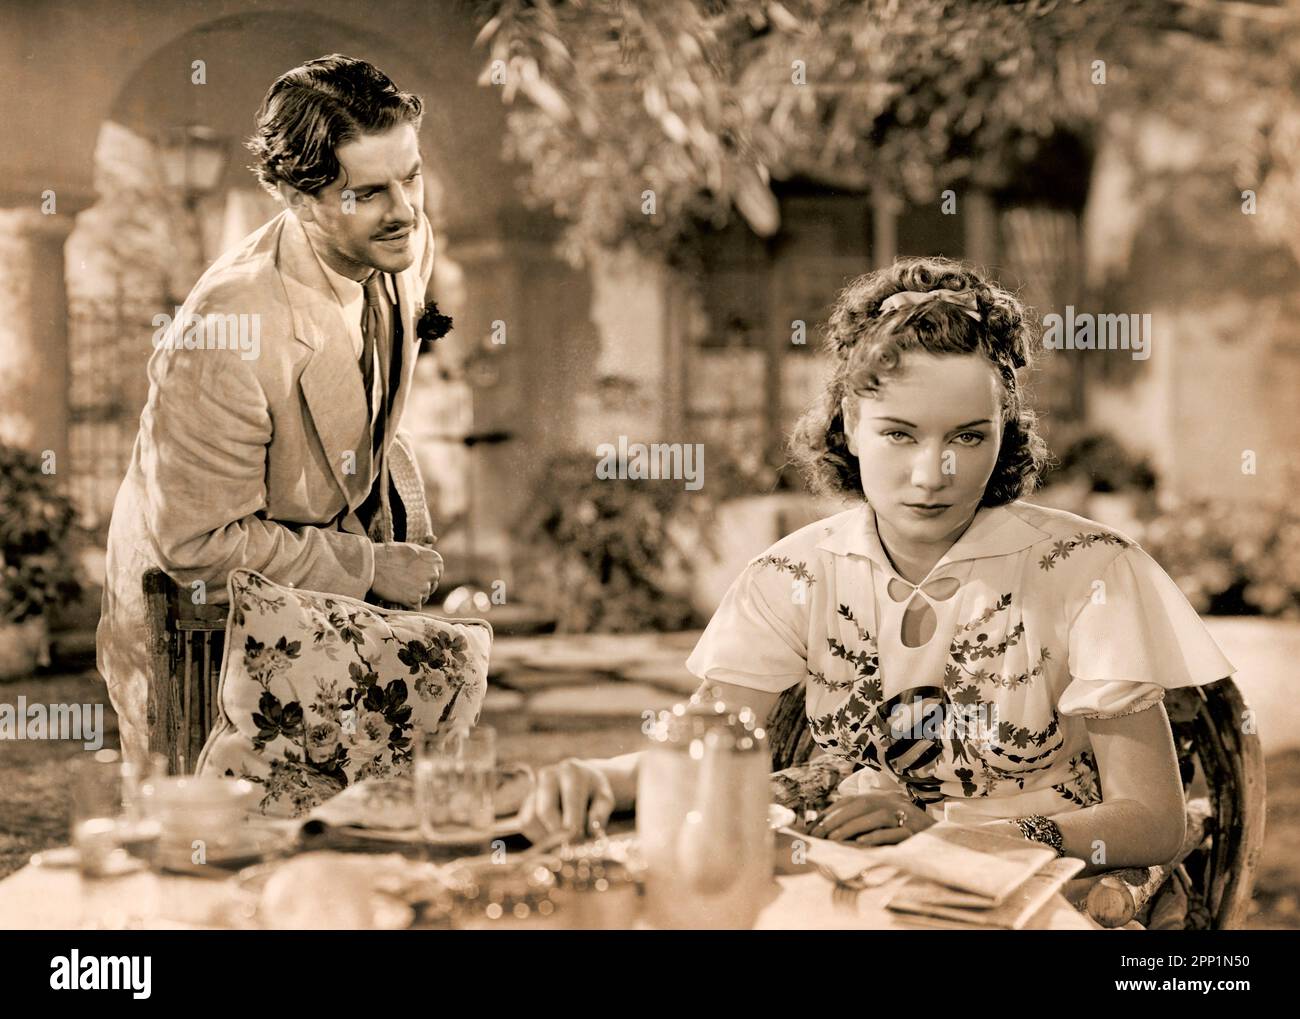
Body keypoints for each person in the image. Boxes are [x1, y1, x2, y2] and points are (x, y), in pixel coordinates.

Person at [523, 256, 1235, 874]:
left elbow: (1150, 818)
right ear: (848, 427)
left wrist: (955, 837)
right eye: (899, 434)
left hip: (1047, 885)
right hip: (857, 879)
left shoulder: (1090, 570)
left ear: (1006, 431)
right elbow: (707, 748)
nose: (933, 474)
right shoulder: (791, 576)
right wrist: (594, 776)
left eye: (968, 435)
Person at [97, 55, 444, 764]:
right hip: (196, 634)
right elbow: (195, 551)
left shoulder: (403, 241)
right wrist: (369, 564)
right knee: (216, 845)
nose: (405, 209)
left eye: (410, 176)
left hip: (312, 607)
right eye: (368, 191)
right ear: (297, 196)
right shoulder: (226, 330)